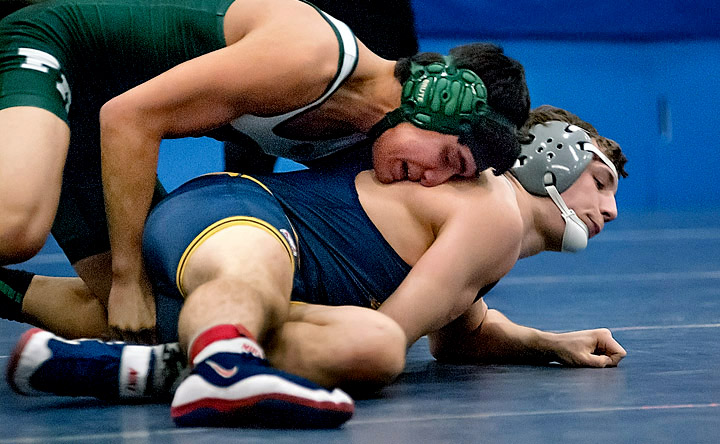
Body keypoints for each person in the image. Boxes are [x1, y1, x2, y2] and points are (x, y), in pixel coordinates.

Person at [8, 106, 628, 429]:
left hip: (231, 252)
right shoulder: (493, 212)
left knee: (218, 312)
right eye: (600, 183)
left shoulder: (491, 231)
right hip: (242, 218)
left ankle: (152, 363)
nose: (611, 209)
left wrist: (548, 343)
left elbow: (459, 336)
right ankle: (216, 366)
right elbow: (392, 329)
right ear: (553, 159)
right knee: (374, 344)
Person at [0, 0, 531, 341]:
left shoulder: (357, 136)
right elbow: (128, 119)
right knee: (18, 230)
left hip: (95, 118)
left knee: (159, 315)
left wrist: (507, 332)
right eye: (448, 158)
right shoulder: (310, 57)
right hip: (51, 51)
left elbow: (447, 274)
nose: (434, 180)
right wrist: (125, 277)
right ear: (434, 100)